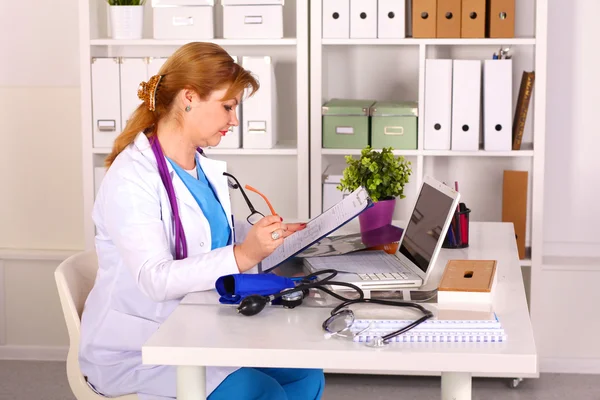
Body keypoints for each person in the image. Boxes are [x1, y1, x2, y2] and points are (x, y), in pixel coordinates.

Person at [79, 42, 325, 400]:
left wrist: (277, 237)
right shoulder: (131, 177)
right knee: (258, 391)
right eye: (228, 106)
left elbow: (213, 236)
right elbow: (155, 279)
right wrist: (243, 254)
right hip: (141, 347)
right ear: (189, 98)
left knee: (306, 375)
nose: (235, 120)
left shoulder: (201, 168)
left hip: (200, 327)